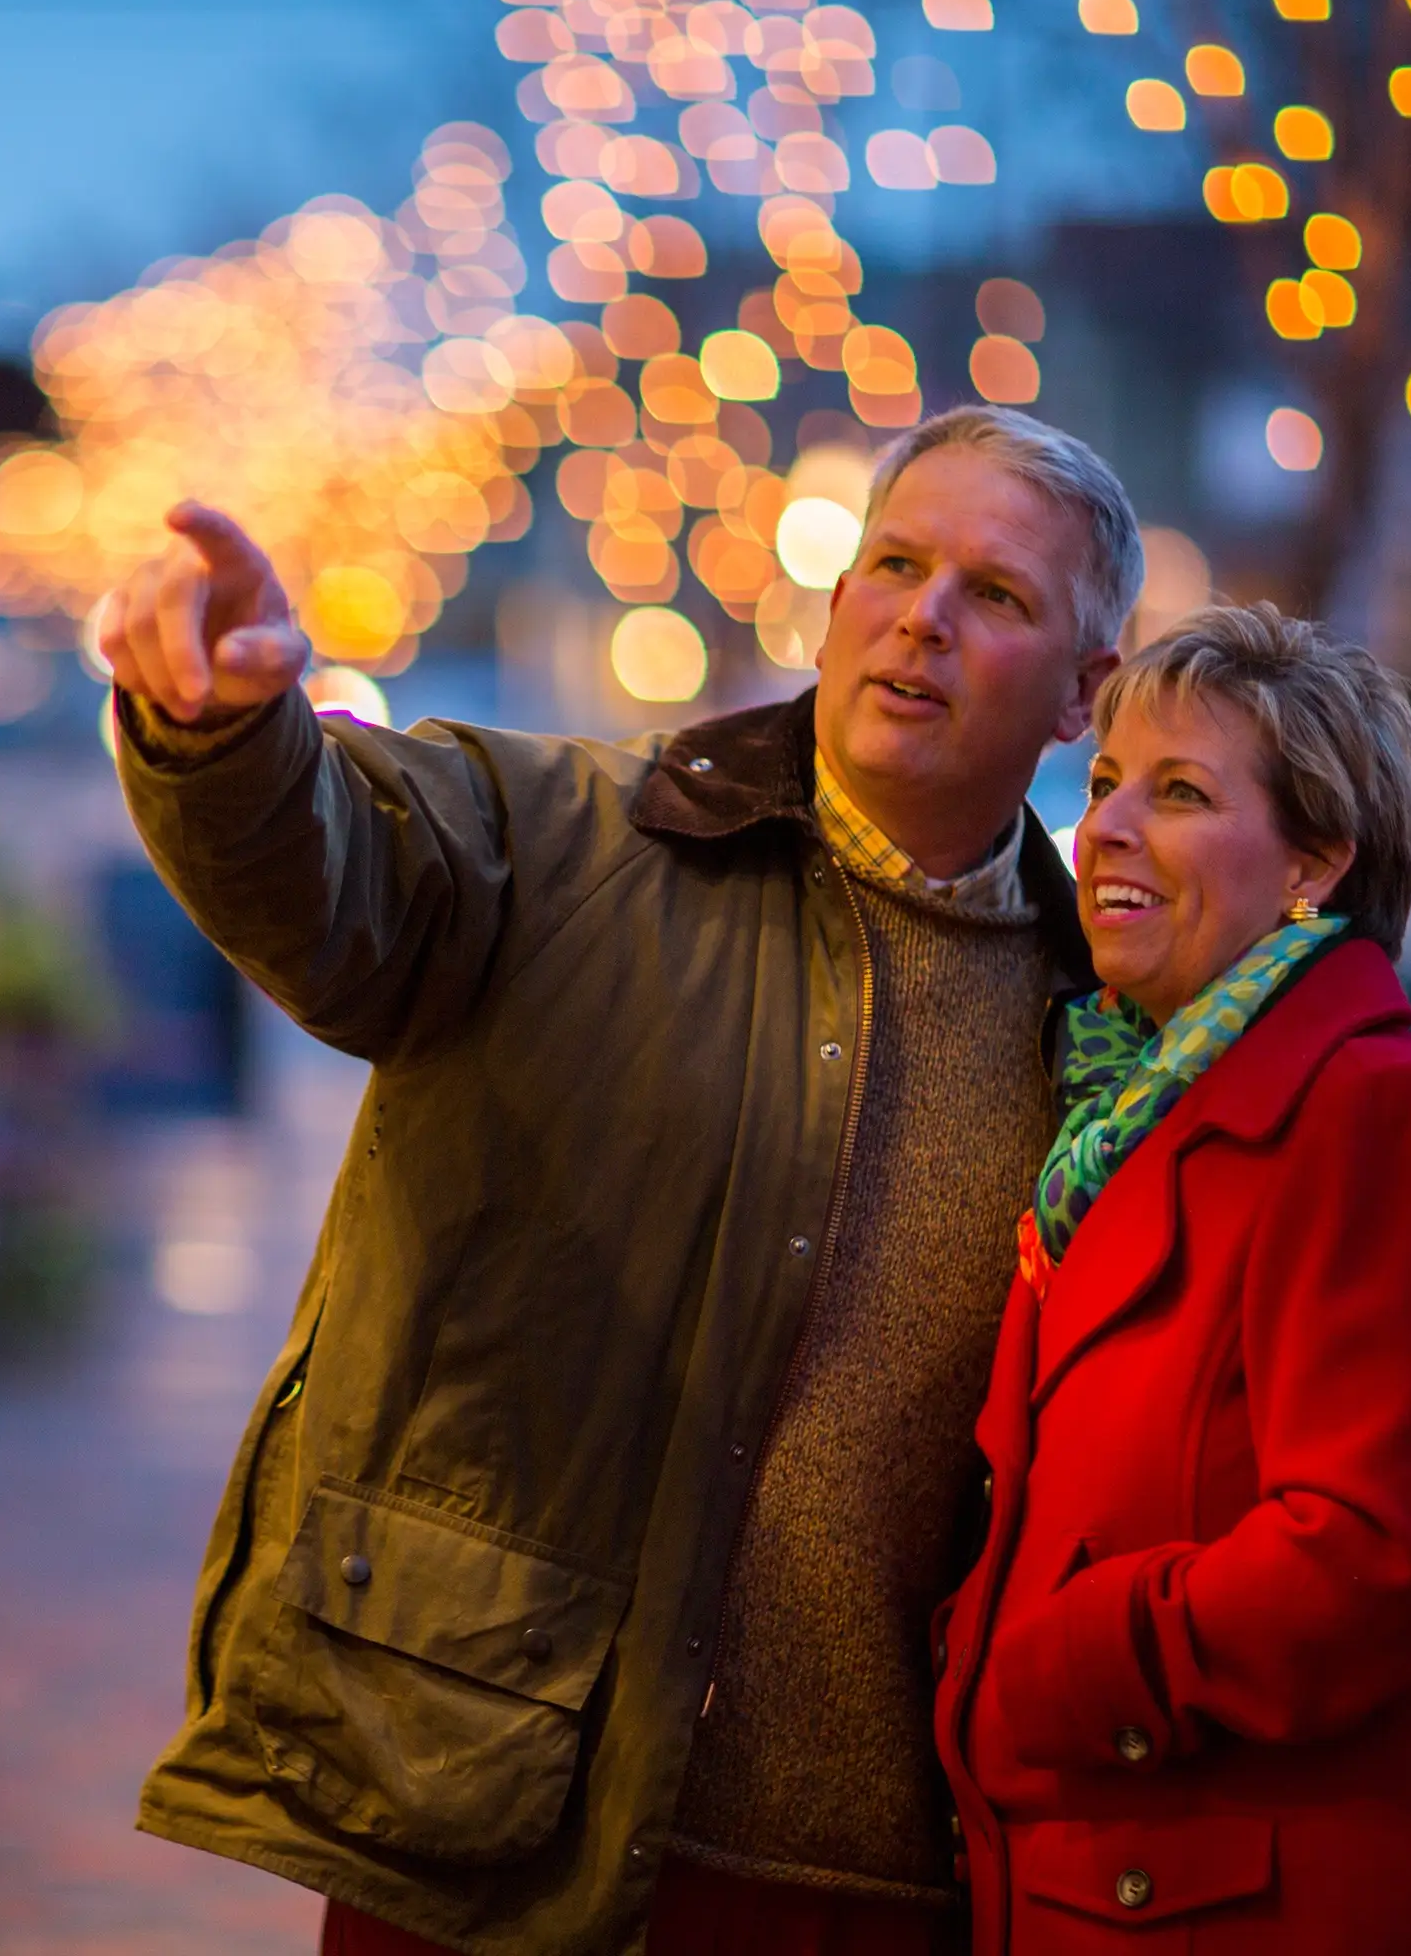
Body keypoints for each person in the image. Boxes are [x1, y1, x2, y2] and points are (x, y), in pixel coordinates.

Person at [96, 407, 1136, 1955]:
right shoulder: (566, 839)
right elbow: (329, 867)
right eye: (894, 565)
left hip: (878, 1890)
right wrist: (225, 741)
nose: (922, 616)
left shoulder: (1100, 1032)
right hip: (492, 1839)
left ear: (1084, 694)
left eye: (994, 594)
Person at [933, 605, 1411, 1954]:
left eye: (1178, 794)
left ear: (1315, 863)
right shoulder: (1119, 1121)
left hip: (1288, 1904)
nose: (1105, 828)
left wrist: (1056, 1665)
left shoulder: (1377, 1116)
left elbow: (1364, 1565)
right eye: (1107, 781)